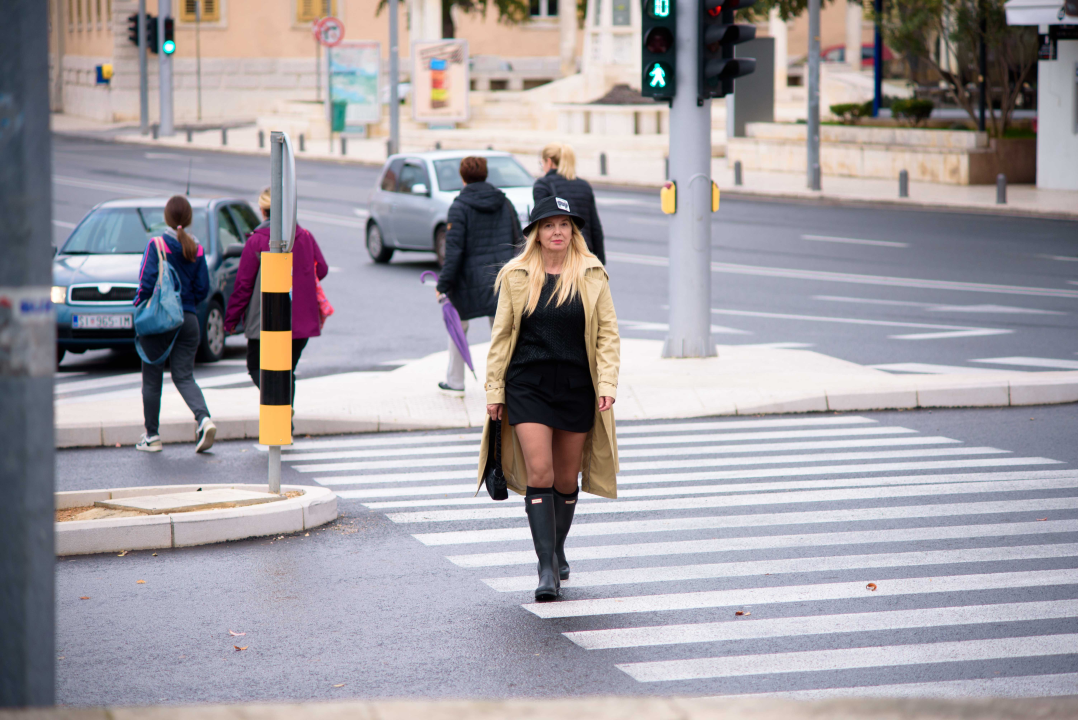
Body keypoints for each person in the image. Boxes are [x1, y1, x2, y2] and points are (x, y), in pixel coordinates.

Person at [479, 195, 621, 601]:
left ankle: (557, 548)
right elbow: (501, 336)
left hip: (577, 385)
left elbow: (607, 334)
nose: (556, 232)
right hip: (528, 384)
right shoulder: (517, 275)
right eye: (548, 225)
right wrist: (495, 390)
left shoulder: (592, 273)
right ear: (535, 233)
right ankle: (545, 569)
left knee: (565, 479)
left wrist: (607, 384)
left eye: (563, 225)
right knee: (539, 474)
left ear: (572, 231)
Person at [223, 187, 329, 411]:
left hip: (267, 320)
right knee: (286, 370)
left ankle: (281, 405)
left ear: (263, 211)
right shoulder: (304, 236)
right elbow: (323, 269)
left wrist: (231, 321)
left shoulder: (258, 242)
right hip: (300, 322)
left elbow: (243, 286)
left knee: (256, 366)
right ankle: (285, 416)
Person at [133, 195, 216, 453]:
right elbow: (204, 289)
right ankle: (204, 419)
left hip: (161, 321)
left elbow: (146, 284)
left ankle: (152, 436)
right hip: (189, 320)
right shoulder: (197, 248)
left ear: (167, 218)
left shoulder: (156, 244)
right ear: (189, 219)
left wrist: (138, 307)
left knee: (152, 379)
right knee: (184, 376)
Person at [435, 156, 523, 395]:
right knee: (502, 332)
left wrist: (443, 285)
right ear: (485, 174)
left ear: (463, 177)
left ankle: (455, 381)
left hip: (467, 282)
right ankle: (504, 383)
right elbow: (519, 241)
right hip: (501, 278)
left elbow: (453, 251)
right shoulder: (504, 202)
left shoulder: (459, 206)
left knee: (457, 326)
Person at [533, 143, 606, 264]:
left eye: (542, 163)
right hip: (584, 252)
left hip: (558, 254)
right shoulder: (584, 186)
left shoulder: (543, 185)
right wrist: (599, 263)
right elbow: (595, 228)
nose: (543, 167)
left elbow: (540, 222)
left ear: (549, 162)